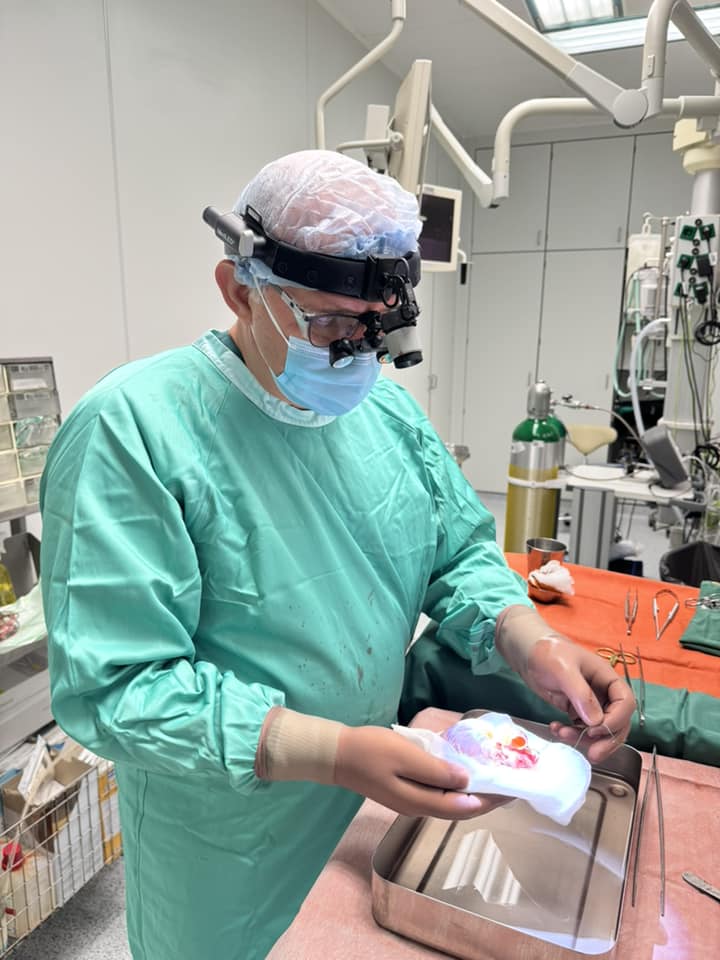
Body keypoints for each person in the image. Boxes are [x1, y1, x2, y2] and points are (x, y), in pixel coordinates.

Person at [40, 149, 635, 960]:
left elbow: (456, 549)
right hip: (221, 835)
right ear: (239, 290)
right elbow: (118, 685)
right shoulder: (134, 429)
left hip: (355, 802)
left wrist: (527, 637)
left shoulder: (386, 413)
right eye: (330, 327)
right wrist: (329, 751)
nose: (361, 355)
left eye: (378, 329)